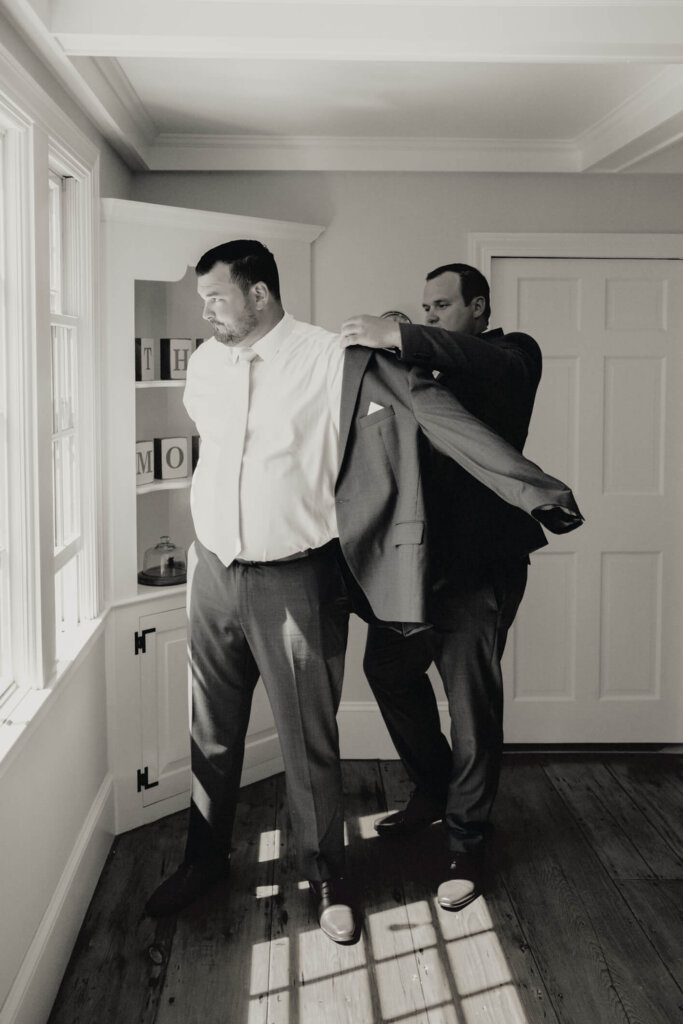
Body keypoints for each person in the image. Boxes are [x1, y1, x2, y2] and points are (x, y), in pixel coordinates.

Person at [145, 242, 582, 940]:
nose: (205, 312)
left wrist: (536, 492)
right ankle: (204, 859)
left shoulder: (337, 358)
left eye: (216, 297)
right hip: (218, 571)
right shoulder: (203, 364)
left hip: (321, 574)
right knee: (213, 730)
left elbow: (440, 416)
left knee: (315, 742)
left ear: (259, 294)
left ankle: (339, 877)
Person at [340, 262, 564, 912]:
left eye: (441, 306)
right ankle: (434, 789)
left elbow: (481, 365)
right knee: (386, 670)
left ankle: (468, 842)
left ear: (478, 306)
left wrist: (401, 335)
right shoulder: (421, 376)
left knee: (470, 706)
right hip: (415, 573)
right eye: (424, 308)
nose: (432, 315)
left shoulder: (511, 355)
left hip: (481, 570)